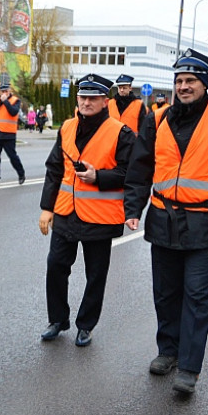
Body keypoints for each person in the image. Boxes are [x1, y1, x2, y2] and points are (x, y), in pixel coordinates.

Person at [123, 49, 208, 394]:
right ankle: (168, 351)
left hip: (205, 223)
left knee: (195, 294)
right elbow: (140, 166)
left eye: (190, 81)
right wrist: (133, 208)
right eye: (179, 81)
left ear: (204, 84)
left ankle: (190, 368)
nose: (183, 86)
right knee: (166, 292)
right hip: (163, 219)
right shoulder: (158, 118)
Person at [39, 73, 135, 347]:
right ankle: (57, 320)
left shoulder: (121, 132)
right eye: (83, 97)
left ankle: (86, 325)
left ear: (105, 101)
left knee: (96, 274)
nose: (87, 102)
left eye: (93, 97)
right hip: (66, 212)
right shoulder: (67, 127)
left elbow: (131, 173)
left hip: (100, 217)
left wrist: (100, 177)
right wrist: (47, 208)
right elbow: (54, 169)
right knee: (56, 266)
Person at [0, 80, 26, 185]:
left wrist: (5, 101)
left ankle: (21, 173)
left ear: (9, 91)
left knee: (12, 156)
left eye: (6, 91)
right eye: (2, 91)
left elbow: (14, 112)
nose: (4, 93)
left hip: (8, 135)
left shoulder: (15, 101)